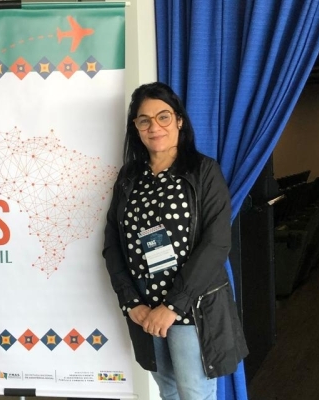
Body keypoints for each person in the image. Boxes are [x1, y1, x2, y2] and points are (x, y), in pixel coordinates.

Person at [103, 82, 248, 400]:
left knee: (194, 394)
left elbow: (216, 243)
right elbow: (112, 243)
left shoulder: (203, 171)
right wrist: (131, 302)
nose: (154, 127)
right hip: (145, 310)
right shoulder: (129, 177)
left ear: (179, 120)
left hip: (190, 309)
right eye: (144, 120)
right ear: (136, 127)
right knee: (168, 393)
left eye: (163, 116)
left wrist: (172, 306)